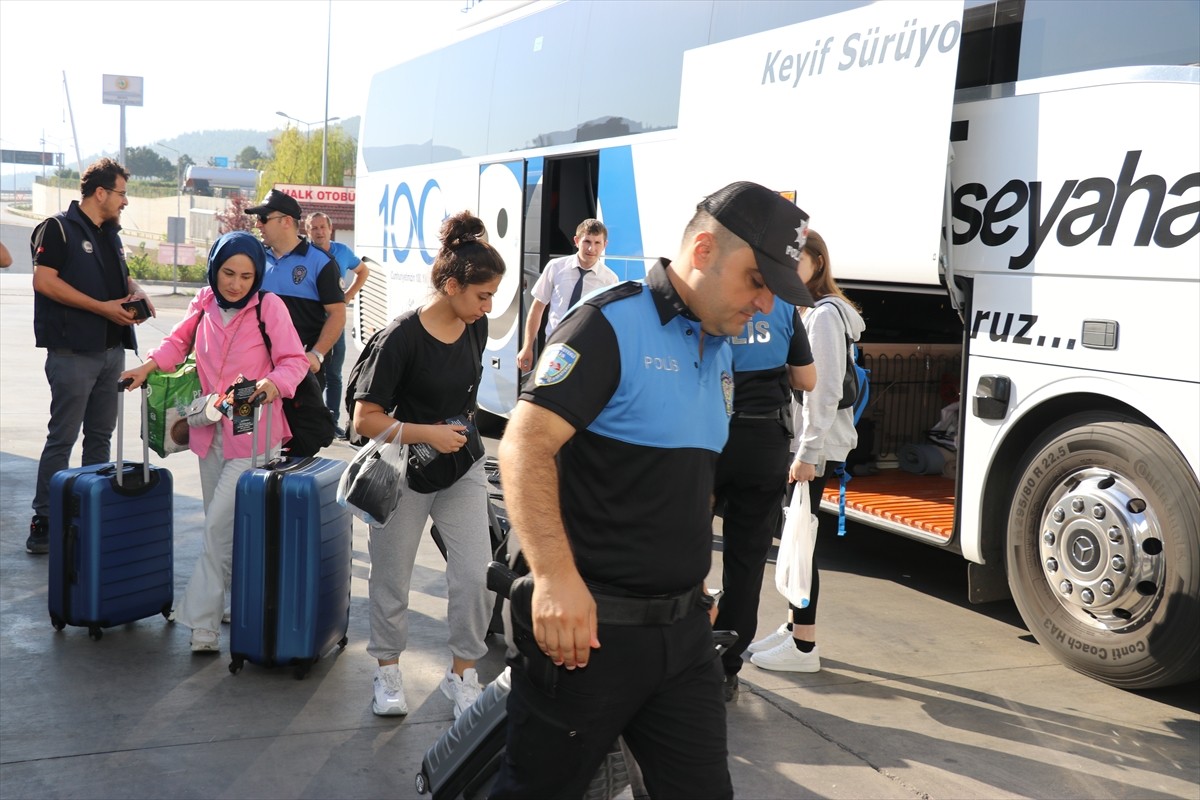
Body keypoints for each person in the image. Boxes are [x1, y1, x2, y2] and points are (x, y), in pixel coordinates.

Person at [491, 181, 812, 799]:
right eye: (756, 280)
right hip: (587, 636)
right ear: (702, 250)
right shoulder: (608, 324)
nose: (765, 303)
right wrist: (554, 579)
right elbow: (524, 446)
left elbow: (684, 483)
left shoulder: (719, 346)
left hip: (683, 638)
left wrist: (692, 585)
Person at [118, 231, 309, 653]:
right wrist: (146, 368)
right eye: (228, 273)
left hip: (255, 435)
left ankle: (201, 623)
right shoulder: (204, 301)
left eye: (246, 276)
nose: (236, 284)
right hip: (209, 431)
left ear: (257, 276)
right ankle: (228, 602)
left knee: (217, 527)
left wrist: (273, 384)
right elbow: (177, 343)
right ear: (214, 269)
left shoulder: (269, 307)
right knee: (223, 527)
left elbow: (294, 361)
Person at [350, 211, 505, 720]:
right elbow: (365, 419)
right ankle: (387, 670)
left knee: (476, 575)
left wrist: (449, 438)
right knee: (391, 578)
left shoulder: (474, 327)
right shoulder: (401, 337)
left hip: (462, 468)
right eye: (483, 296)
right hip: (402, 473)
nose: (488, 307)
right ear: (452, 286)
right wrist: (427, 434)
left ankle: (462, 674)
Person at [749, 229, 865, 674]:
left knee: (802, 542)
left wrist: (807, 452)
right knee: (797, 537)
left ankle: (804, 646)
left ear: (817, 261)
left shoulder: (823, 315)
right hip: (809, 443)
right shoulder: (808, 310)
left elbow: (824, 389)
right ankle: (793, 627)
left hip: (815, 445)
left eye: (796, 260)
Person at [27, 158, 154, 555]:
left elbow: (119, 275)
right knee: (62, 437)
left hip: (112, 351)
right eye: (121, 194)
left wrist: (137, 291)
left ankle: (88, 512)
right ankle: (45, 518)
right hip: (73, 353)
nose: (125, 202)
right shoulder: (58, 229)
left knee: (100, 439)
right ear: (100, 193)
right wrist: (102, 308)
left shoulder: (110, 234)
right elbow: (44, 281)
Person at [712, 297, 816, 701]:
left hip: (709, 435)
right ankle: (726, 668)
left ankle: (681, 657)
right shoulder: (784, 308)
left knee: (685, 550)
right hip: (764, 442)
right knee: (746, 562)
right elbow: (807, 379)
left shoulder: (714, 298)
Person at [247, 190, 345, 390]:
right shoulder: (255, 258)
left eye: (263, 218)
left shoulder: (321, 262)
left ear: (286, 221)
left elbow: (338, 314)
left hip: (300, 374)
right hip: (255, 369)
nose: (257, 224)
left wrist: (317, 354)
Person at [515, 218, 617, 373]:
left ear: (605, 245)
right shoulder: (556, 267)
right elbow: (537, 308)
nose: (591, 248)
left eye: (597, 243)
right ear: (576, 241)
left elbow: (609, 321)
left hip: (587, 352)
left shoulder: (610, 279)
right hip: (554, 348)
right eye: (587, 241)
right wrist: (527, 347)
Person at [305, 211, 369, 437]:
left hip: (335, 323)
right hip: (310, 323)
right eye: (314, 228)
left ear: (330, 229)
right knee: (311, 374)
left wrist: (348, 296)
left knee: (334, 374)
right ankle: (313, 420)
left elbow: (363, 271)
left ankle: (332, 423)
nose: (319, 232)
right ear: (308, 231)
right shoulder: (304, 253)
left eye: (322, 227)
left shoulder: (342, 252)